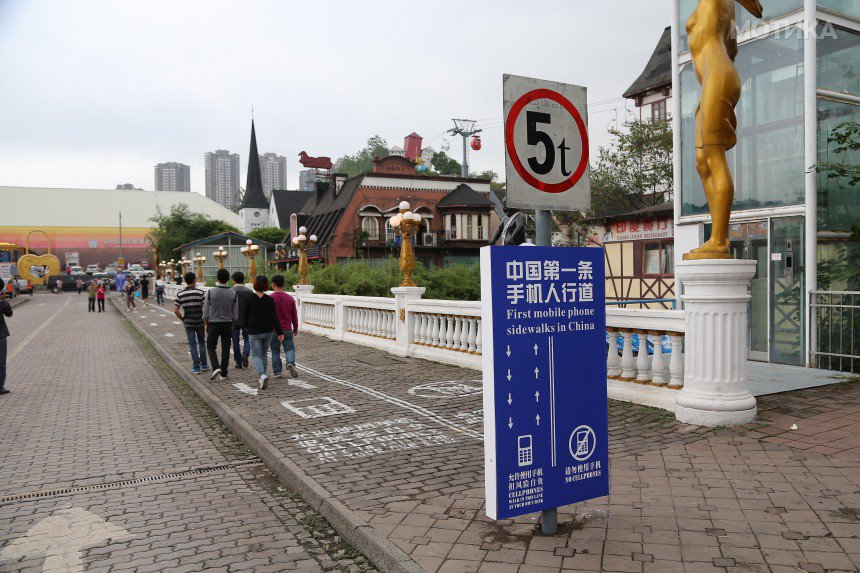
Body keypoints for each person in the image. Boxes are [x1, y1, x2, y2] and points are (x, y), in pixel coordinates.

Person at [243, 275, 283, 390]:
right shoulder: (270, 300)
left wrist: (246, 327)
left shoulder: (249, 298)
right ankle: (263, 377)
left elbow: (244, 316)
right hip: (267, 331)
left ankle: (262, 375)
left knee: (256, 355)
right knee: (264, 354)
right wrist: (280, 332)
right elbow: (274, 318)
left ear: (255, 284)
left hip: (254, 331)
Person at [203, 269, 238, 382]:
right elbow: (235, 313)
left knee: (211, 346)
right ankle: (224, 373)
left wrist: (206, 323)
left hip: (213, 323)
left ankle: (215, 367)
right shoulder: (233, 293)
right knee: (226, 348)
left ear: (217, 278)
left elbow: (205, 312)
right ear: (228, 279)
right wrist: (232, 322)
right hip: (228, 323)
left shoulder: (210, 292)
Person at [174, 272, 209, 374]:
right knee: (202, 342)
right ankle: (204, 365)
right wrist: (205, 319)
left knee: (192, 344)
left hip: (188, 322)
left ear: (185, 281)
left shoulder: (180, 294)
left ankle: (196, 367)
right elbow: (206, 308)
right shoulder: (201, 293)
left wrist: (183, 318)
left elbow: (175, 310)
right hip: (199, 321)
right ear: (194, 280)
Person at [270, 275, 299, 379]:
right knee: (289, 348)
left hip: (274, 329)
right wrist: (295, 328)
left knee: (275, 350)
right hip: (287, 328)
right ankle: (290, 363)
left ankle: (277, 372)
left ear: (273, 284)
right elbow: (294, 315)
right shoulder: (290, 298)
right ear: (283, 284)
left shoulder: (270, 298)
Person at [231, 271, 252, 370]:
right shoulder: (249, 291)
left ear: (233, 280)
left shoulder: (231, 291)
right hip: (247, 319)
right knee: (248, 339)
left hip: (234, 320)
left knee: (235, 340)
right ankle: (245, 354)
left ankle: (238, 362)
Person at [0, 278, 12, 395]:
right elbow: (9, 313)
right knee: (1, 362)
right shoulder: (2, 302)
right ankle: (0, 387)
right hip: (0, 336)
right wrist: (4, 299)